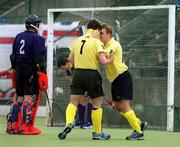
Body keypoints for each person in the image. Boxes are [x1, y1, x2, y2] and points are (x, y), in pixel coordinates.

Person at [58, 20, 113, 140]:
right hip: (92, 74)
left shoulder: (77, 41)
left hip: (78, 74)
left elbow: (70, 60)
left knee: (73, 102)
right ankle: (97, 133)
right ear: (97, 30)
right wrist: (111, 59)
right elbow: (103, 60)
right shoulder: (97, 42)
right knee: (97, 103)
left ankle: (68, 123)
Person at [99, 24, 147, 140]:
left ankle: (138, 132)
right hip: (115, 80)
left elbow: (103, 57)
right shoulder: (104, 45)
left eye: (102, 33)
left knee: (124, 106)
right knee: (118, 107)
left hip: (122, 77)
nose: (100, 35)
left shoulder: (113, 44)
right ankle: (138, 123)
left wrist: (95, 47)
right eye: (99, 33)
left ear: (109, 35)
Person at [6, 14, 47, 135]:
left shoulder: (18, 36)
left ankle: (12, 126)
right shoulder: (37, 38)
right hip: (30, 70)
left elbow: (13, 56)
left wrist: (15, 68)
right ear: (34, 25)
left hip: (18, 69)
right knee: (28, 98)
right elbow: (39, 57)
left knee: (18, 98)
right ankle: (26, 127)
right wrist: (43, 72)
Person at [57, 57, 92, 129]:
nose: (64, 70)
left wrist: (86, 90)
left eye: (64, 68)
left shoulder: (77, 65)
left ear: (67, 63)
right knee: (80, 100)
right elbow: (72, 80)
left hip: (88, 80)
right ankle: (81, 122)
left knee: (91, 100)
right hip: (78, 84)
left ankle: (89, 122)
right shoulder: (68, 70)